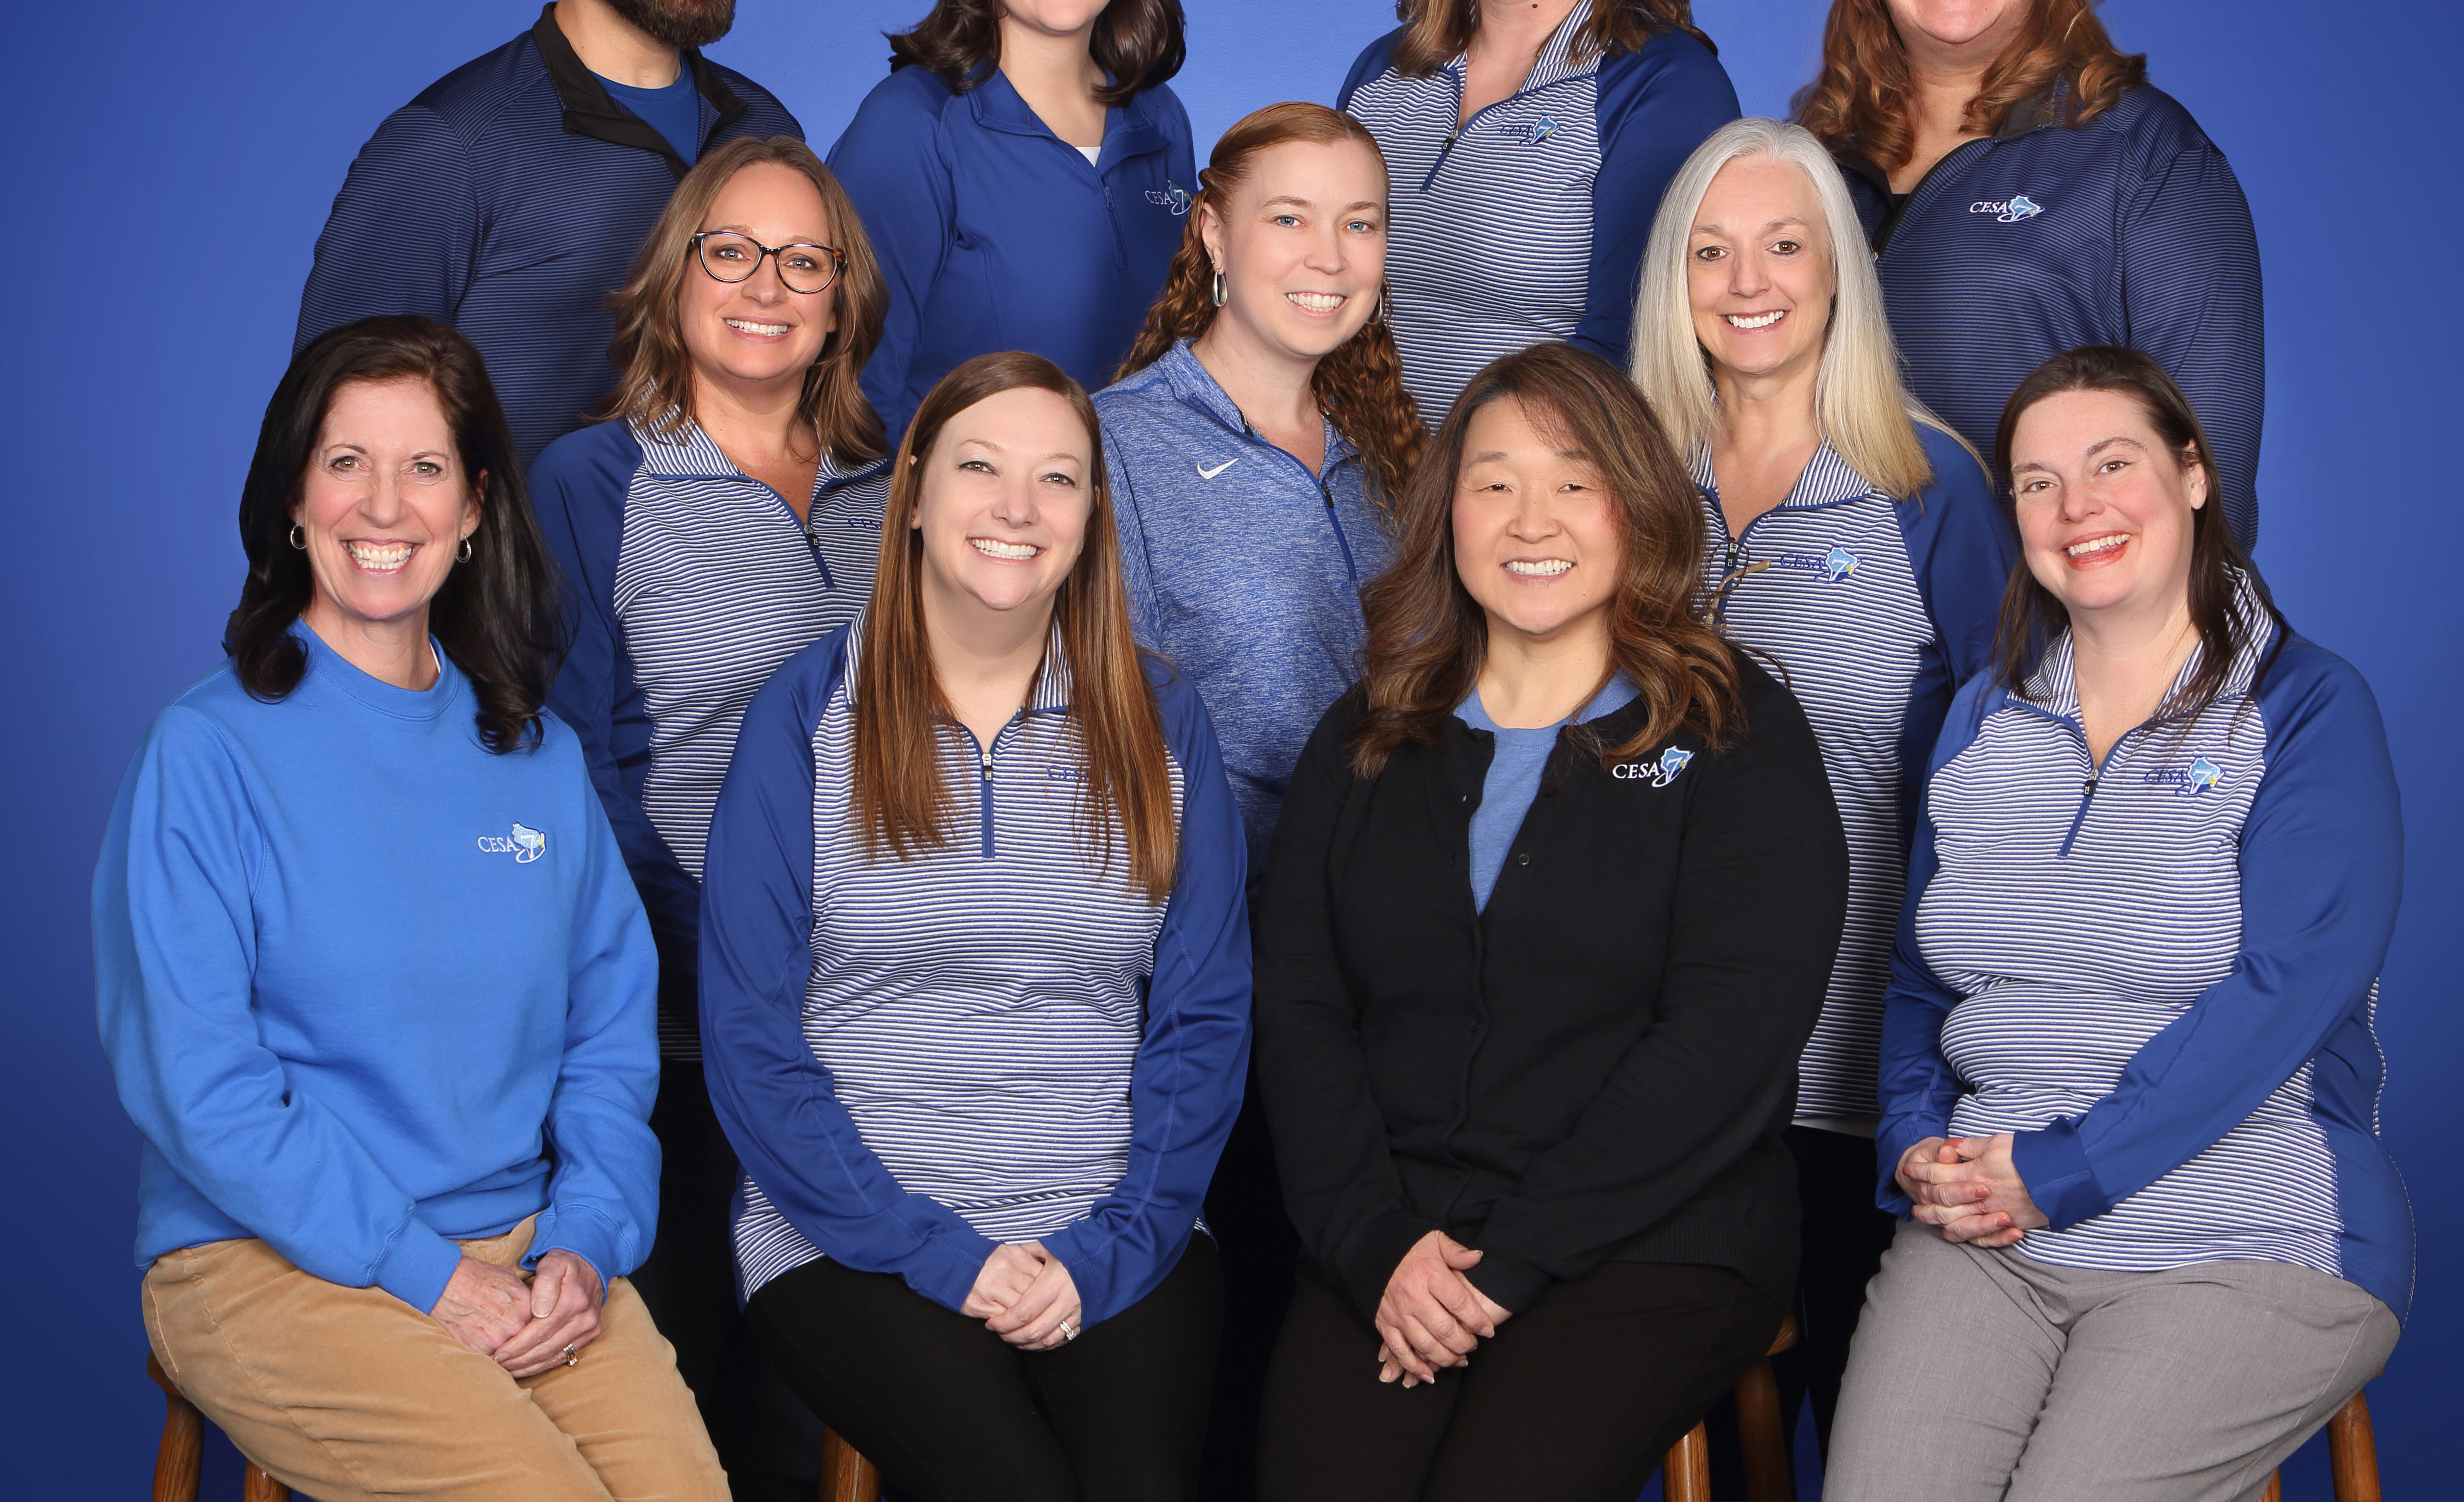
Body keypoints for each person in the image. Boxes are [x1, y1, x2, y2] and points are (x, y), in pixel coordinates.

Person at [94, 316, 724, 1502]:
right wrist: (425, 1273)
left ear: (476, 506)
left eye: (424, 466)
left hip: (526, 1251)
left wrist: (586, 1237)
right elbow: (204, 1086)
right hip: (266, 1262)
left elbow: (606, 1034)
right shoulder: (209, 751)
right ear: (293, 495)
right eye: (346, 462)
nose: (384, 506)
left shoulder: (536, 757)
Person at [1255, 344, 1846, 1502]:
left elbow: (1725, 1040)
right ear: (1447, 515)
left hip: (1656, 1236)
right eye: (1495, 482)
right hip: (1400, 1236)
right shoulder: (1364, 739)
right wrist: (1378, 1245)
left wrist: (1506, 1267)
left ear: (1638, 507)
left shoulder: (1735, 732)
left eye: (1576, 480)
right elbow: (1301, 1013)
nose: (1535, 519)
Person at [1824, 347, 2408, 1502]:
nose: (2074, 507)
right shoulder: (1984, 718)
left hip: (2244, 1231)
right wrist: (1912, 1141)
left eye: (2111, 464)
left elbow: (2289, 990)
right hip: (1989, 1232)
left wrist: (2070, 1168)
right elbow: (1918, 985)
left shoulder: (2308, 708)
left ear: (2193, 475)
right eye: (2037, 482)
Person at [700, 352, 1251, 1502]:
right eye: (981, 468)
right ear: (913, 492)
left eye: (1058, 480)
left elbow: (1204, 1020)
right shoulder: (803, 716)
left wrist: (1112, 1250)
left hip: (1115, 1221)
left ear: (1093, 515)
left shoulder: (1164, 721)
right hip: (850, 1227)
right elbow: (751, 1043)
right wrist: (945, 1256)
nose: (1017, 508)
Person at [1628, 115, 2015, 1479]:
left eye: (1784, 245)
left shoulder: (1929, 488)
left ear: (1838, 270)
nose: (1748, 281)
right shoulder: (1629, 501)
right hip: (1674, 1084)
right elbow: (1604, 776)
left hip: (1869, 1093)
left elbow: (2014, 791)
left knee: (1873, 1452)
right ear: (1672, 280)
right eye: (1711, 250)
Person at [529, 134, 894, 1498]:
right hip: (672, 1031)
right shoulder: (592, 482)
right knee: (685, 1414)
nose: (766, 284)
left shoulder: (902, 483)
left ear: (844, 297)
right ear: (674, 280)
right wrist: (725, 951)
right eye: (730, 250)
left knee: (838, 1415)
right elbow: (567, 764)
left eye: (806, 260)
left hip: (864, 1040)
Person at [1095, 99, 1421, 1498]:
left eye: (1360, 222)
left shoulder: (1408, 460)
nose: (1327, 254)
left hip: (1389, 975)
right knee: (1224, 1358)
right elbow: (1094, 731)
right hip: (1199, 970)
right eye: (1290, 216)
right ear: (1214, 233)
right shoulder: (1113, 442)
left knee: (1350, 1355)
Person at [1792, 0, 2268, 548]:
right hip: (1841, 636)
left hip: (2047, 648)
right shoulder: (1810, 167)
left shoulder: (2140, 157)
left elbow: (2211, 484)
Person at [298, 0, 804, 467]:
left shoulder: (765, 134)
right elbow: (325, 448)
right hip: (508, 579)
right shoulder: (452, 149)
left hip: (717, 577)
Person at [1339, 0, 1741, 423]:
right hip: (1359, 504)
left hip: (1537, 506)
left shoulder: (1664, 87)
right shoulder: (1381, 73)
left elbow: (1633, 354)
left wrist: (1460, 499)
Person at [832, 0, 1196, 442]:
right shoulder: (911, 128)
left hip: (1132, 537)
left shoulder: (1163, 122)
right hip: (967, 538)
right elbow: (852, 412)